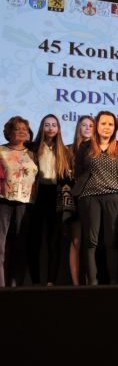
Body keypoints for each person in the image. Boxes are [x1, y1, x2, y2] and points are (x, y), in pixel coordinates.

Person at [72, 111, 118, 285]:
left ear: (115, 127)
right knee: (91, 242)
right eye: (103, 123)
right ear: (97, 126)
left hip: (114, 197)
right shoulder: (86, 146)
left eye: (111, 124)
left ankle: (114, 282)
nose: (107, 127)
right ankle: (92, 283)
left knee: (112, 242)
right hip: (89, 197)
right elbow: (78, 171)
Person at [29, 114, 71, 286]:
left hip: (55, 195)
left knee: (54, 241)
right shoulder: (33, 148)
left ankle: (51, 281)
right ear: (42, 127)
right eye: (47, 124)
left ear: (58, 129)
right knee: (35, 241)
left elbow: (67, 177)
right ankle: (35, 281)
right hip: (37, 195)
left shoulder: (64, 150)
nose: (51, 128)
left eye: (54, 125)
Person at [0, 116, 38, 287]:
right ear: (9, 132)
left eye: (24, 129)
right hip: (3, 202)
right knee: (1, 246)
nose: (22, 131)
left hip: (25, 204)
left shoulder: (32, 154)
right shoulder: (1, 150)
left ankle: (16, 286)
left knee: (20, 247)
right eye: (17, 129)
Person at [64, 115, 94, 285]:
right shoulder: (69, 150)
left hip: (93, 198)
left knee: (92, 240)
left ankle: (91, 281)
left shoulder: (98, 150)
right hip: (75, 198)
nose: (88, 128)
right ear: (78, 128)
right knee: (76, 240)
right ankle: (76, 284)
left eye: (91, 125)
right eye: (84, 125)